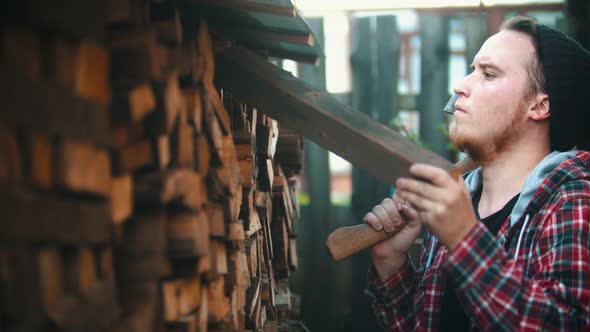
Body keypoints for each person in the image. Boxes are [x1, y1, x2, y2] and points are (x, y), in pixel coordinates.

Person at [363, 16, 590, 331]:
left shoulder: (573, 202)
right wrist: (391, 265)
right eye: (473, 70)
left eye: (489, 74)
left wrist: (465, 239)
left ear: (539, 105)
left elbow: (566, 325)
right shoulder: (461, 204)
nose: (461, 85)